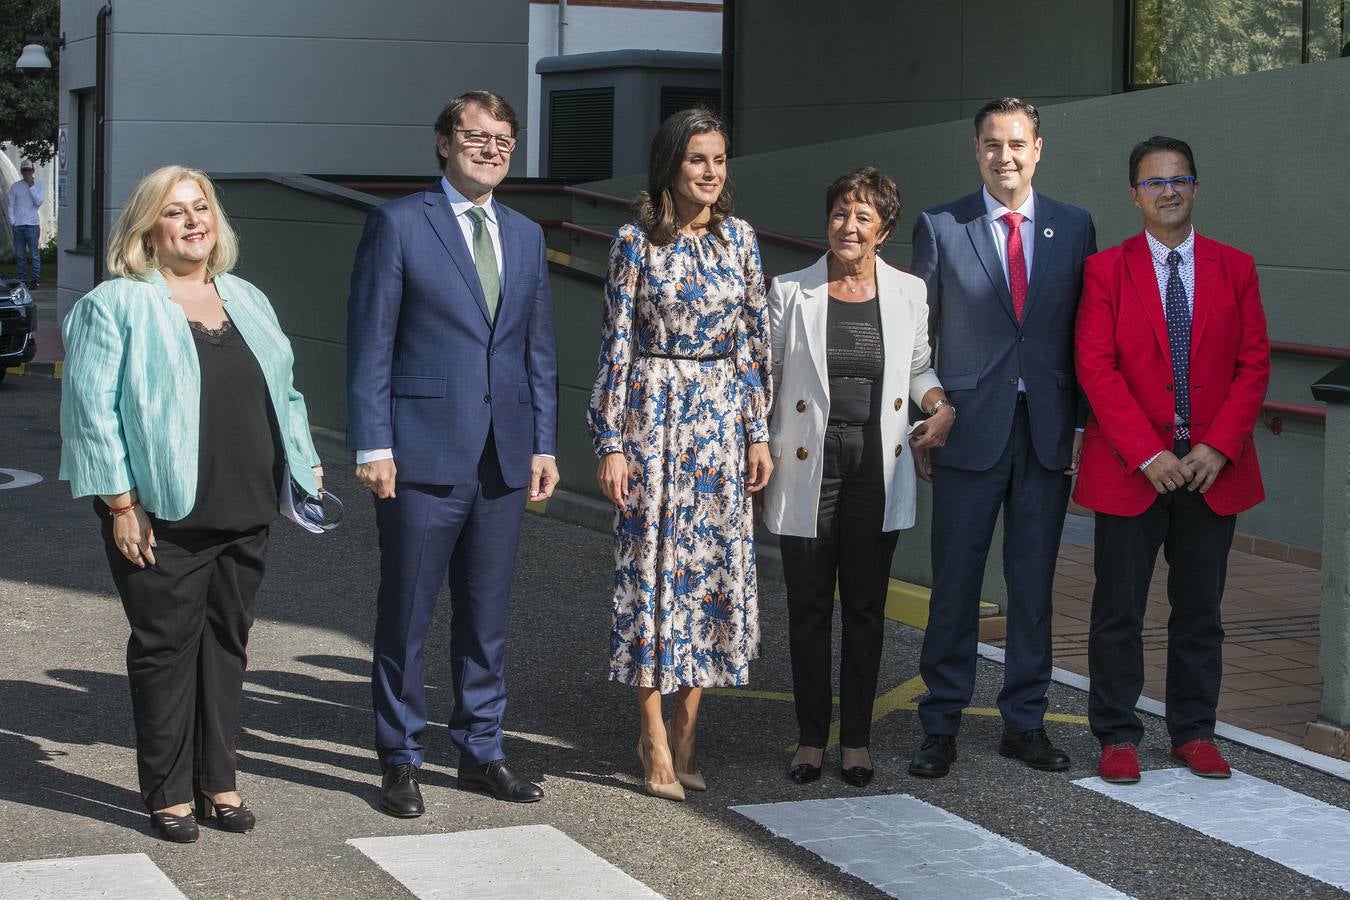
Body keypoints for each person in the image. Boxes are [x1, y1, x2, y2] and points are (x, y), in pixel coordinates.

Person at [59, 165, 323, 842]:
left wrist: (305, 463)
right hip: (161, 516)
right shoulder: (114, 305)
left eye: (200, 208)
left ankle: (218, 780)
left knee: (226, 647)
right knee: (165, 650)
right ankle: (168, 791)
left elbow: (285, 392)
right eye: (174, 212)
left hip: (246, 507)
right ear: (148, 229)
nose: (192, 222)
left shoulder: (246, 298)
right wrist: (120, 504)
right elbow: (92, 414)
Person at [347, 90, 559, 816]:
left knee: (486, 615)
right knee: (406, 612)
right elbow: (371, 341)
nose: (492, 148)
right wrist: (373, 442)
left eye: (504, 138)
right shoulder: (400, 224)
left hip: (504, 456)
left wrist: (544, 444)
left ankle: (481, 750)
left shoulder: (526, 236)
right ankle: (401, 757)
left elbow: (537, 351)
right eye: (477, 136)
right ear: (444, 143)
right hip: (419, 454)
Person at [907, 97, 1097, 779]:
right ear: (976, 148)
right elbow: (914, 339)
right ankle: (940, 724)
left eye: (1017, 144)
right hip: (965, 433)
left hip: (1045, 436)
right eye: (992, 144)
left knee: (1032, 586)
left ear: (1038, 148)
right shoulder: (940, 226)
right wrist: (923, 418)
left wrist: (1081, 424)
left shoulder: (1075, 228)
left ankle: (1025, 722)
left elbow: (1086, 337)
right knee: (955, 584)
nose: (1005, 156)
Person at [588, 108, 772, 802]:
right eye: (698, 159)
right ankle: (652, 732)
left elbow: (754, 344)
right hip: (652, 420)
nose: (710, 172)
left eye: (719, 160)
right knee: (650, 572)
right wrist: (610, 442)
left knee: (713, 575)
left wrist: (757, 432)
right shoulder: (635, 241)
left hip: (720, 423)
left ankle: (690, 725)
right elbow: (614, 346)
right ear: (670, 164)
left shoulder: (741, 241)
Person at [1075, 136, 1270, 783]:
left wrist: (1218, 445)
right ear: (1135, 194)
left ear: (1194, 186)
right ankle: (1118, 735)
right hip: (1133, 467)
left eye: (1178, 179)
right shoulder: (1106, 270)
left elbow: (1254, 364)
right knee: (1118, 612)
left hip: (1214, 467)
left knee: (1199, 611)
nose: (1167, 191)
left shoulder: (1236, 267)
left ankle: (1193, 731)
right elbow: (1096, 369)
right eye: (1154, 182)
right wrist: (1149, 452)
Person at [762, 168, 952, 788]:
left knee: (865, 609)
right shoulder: (791, 291)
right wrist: (752, 441)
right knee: (810, 607)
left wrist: (938, 405)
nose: (849, 226)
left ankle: (858, 742)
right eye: (840, 213)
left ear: (885, 230)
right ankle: (811, 738)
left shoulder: (907, 292)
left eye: (863, 217)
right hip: (807, 463)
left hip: (877, 460)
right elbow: (762, 376)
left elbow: (919, 369)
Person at [8, 161, 44, 288]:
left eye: (29, 170)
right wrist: (13, 222)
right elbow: (10, 205)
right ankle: (22, 279)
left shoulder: (38, 185)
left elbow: (38, 202)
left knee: (34, 254)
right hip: (18, 225)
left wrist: (31, 186)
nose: (27, 173)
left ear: (33, 171)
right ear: (21, 172)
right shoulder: (15, 186)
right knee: (20, 254)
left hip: (32, 225)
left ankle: (35, 280)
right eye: (24, 170)